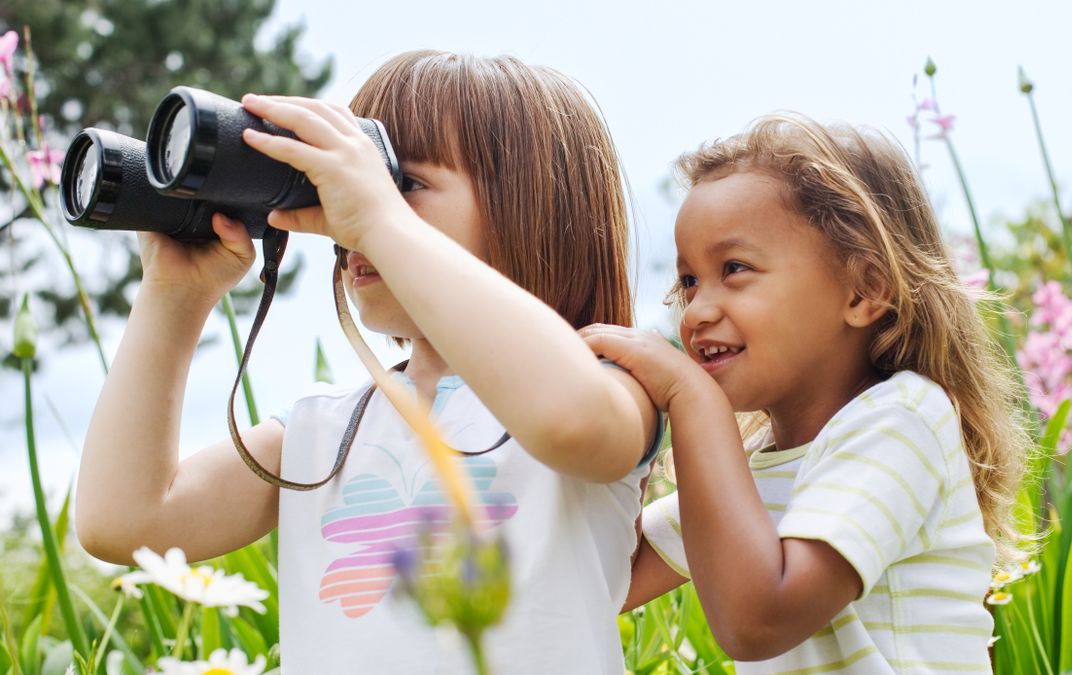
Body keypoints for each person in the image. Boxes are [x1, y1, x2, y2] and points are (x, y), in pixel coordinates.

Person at [76, 50, 660, 673]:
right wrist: (175, 294)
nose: (348, 216)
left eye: (401, 182)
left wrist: (380, 217)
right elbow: (125, 522)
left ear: (535, 204)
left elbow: (573, 422)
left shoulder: (610, 383)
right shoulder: (322, 431)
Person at [581, 113, 1030, 673]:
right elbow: (594, 582)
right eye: (690, 280)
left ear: (864, 291)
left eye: (735, 268)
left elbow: (759, 620)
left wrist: (690, 400)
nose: (696, 311)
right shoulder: (755, 468)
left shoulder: (901, 420)